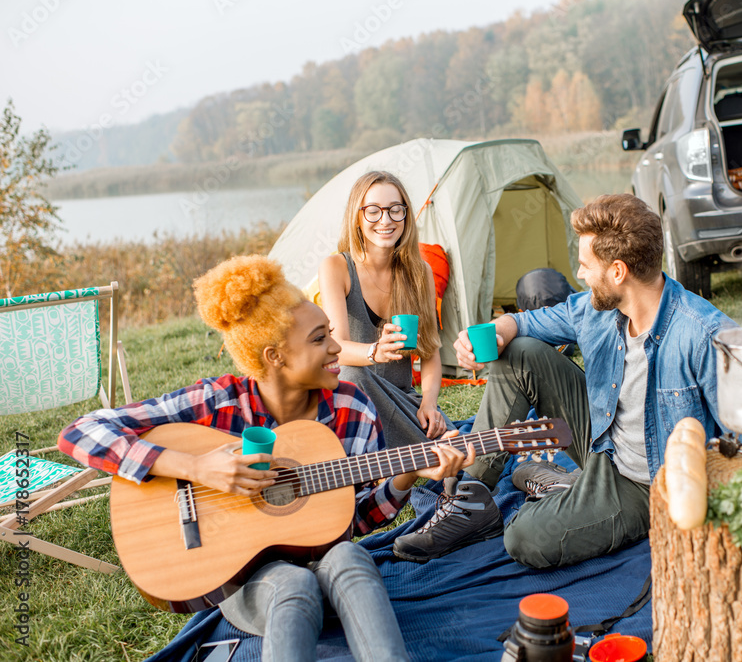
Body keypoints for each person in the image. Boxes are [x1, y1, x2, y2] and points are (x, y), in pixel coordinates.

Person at [58, 255, 474, 662]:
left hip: (327, 558)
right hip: (243, 577)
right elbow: (81, 432)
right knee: (292, 585)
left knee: (351, 555)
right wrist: (197, 467)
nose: (336, 347)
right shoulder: (219, 401)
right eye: (318, 340)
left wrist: (405, 475)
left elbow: (357, 518)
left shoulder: (353, 407)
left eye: (330, 332)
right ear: (274, 356)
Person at [453, 193, 735, 569]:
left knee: (524, 537)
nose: (581, 275)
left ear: (618, 272)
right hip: (603, 439)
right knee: (519, 352)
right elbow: (522, 323)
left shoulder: (704, 335)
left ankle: (567, 488)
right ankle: (468, 499)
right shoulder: (596, 310)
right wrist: (494, 333)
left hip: (645, 482)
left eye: (586, 266)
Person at [316, 171, 504, 563]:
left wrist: (431, 403)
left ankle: (442, 473)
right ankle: (446, 469)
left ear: (406, 216)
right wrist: (374, 352)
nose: (385, 220)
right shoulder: (337, 267)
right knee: (354, 377)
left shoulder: (415, 271)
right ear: (357, 216)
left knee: (445, 435)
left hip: (402, 401)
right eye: (374, 210)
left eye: (395, 209)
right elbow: (333, 350)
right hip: (353, 403)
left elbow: (431, 353)